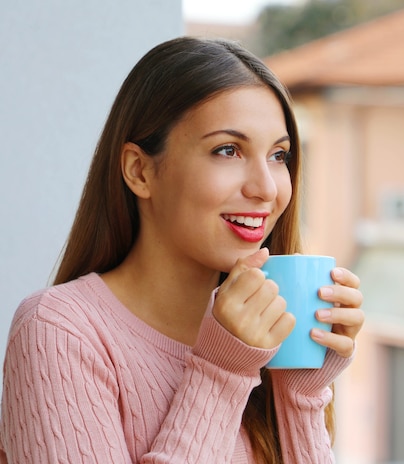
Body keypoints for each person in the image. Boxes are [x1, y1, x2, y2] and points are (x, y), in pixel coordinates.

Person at [0, 37, 364, 463]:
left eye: (279, 155)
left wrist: (300, 391)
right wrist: (223, 369)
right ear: (140, 171)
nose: (266, 188)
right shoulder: (59, 331)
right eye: (228, 150)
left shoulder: (268, 347)